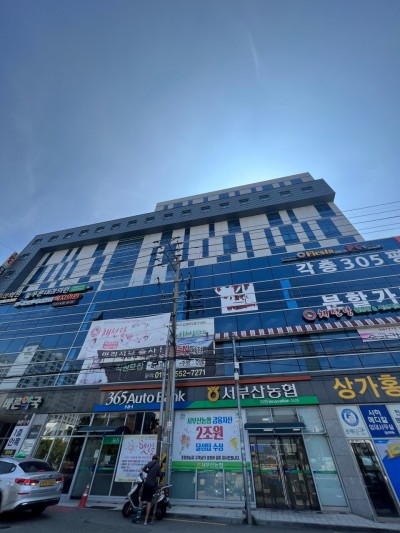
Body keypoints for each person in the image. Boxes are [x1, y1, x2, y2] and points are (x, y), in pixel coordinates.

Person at [134, 455, 163, 525]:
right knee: (149, 502)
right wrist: (155, 474)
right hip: (152, 486)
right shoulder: (158, 466)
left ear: (152, 459)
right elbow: (160, 475)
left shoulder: (149, 463)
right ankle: (145, 521)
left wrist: (148, 472)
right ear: (157, 460)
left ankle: (138, 518)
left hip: (146, 484)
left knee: (141, 501)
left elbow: (144, 469)